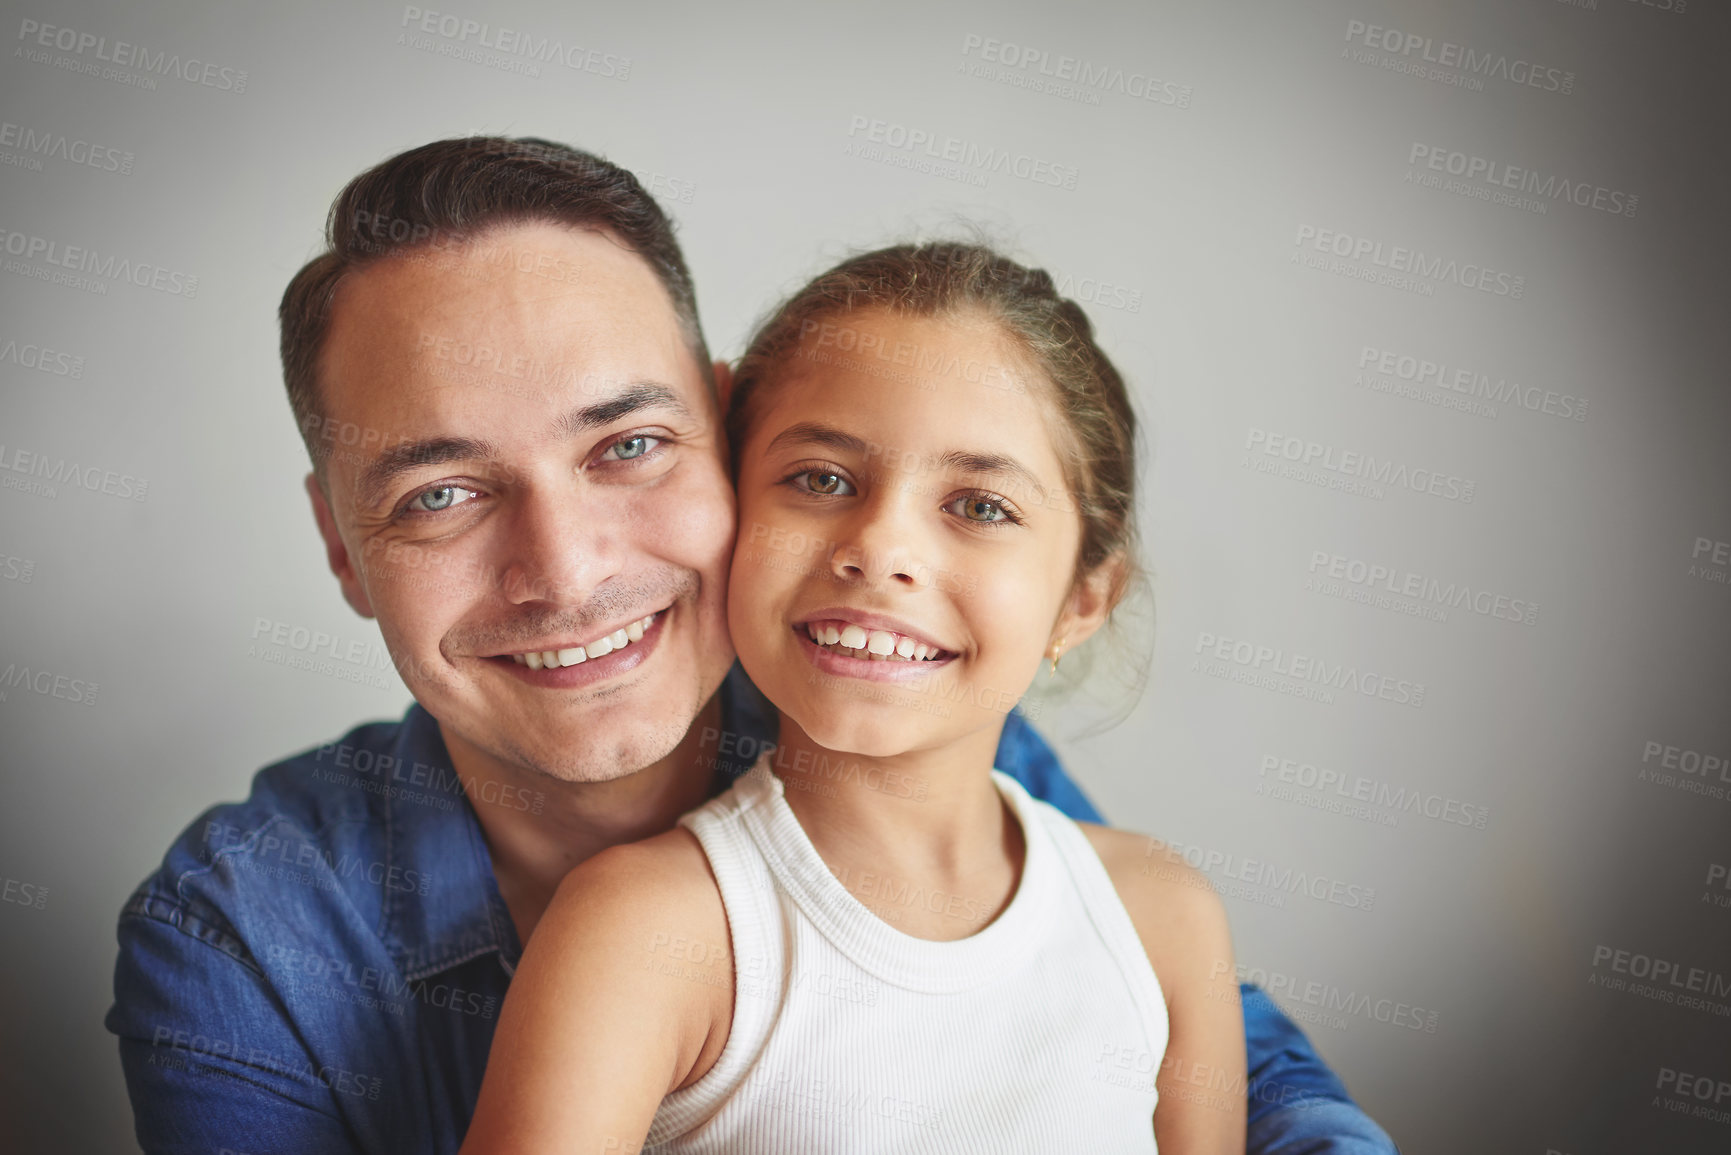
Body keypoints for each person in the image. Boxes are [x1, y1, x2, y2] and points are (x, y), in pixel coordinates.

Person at [104, 137, 1398, 1154]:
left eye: (626, 445)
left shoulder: (913, 733)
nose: (566, 570)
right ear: (340, 546)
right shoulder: (241, 932)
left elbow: (1234, 1075)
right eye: (440, 492)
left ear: (723, 439)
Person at [461, 241, 1245, 1153]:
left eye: (980, 506)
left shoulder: (1161, 916)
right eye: (820, 479)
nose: (879, 546)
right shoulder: (643, 931)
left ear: (1081, 599)